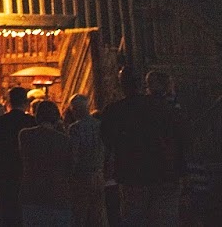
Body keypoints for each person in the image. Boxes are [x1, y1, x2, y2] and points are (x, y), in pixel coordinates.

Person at [100, 69, 187, 227]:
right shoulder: (164, 108)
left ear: (121, 85)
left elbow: (107, 141)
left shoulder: (114, 111)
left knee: (134, 218)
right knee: (164, 219)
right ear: (143, 84)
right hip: (164, 173)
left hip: (132, 175)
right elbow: (180, 138)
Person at [19, 99, 76, 227]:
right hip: (57, 194)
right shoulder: (64, 140)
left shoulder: (25, 135)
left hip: (32, 193)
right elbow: (70, 167)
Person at [0, 86, 38, 227]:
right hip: (26, 174)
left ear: (8, 102)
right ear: (26, 103)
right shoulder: (32, 122)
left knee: (7, 215)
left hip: (4, 175)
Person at [64, 95, 107, 227]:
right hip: (99, 174)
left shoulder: (75, 128)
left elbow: (74, 154)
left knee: (80, 214)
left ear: (74, 109)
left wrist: (70, 174)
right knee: (98, 213)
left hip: (82, 175)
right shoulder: (100, 125)